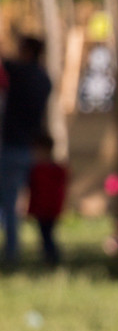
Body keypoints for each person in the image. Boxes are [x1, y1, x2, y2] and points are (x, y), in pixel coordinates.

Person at [0, 36, 52, 264]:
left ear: (28, 51)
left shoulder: (19, 74)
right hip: (28, 148)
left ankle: (12, 254)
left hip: (10, 146)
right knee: (14, 203)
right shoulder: (44, 79)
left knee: (9, 204)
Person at [27, 132, 68, 266]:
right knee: (45, 235)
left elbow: (59, 191)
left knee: (47, 235)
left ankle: (52, 257)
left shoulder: (53, 170)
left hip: (49, 209)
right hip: (41, 209)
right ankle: (49, 257)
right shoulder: (36, 169)